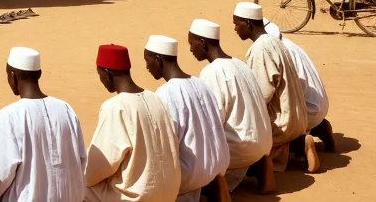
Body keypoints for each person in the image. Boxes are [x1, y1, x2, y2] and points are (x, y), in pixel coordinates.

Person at [0, 47, 87, 202]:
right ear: (39, 74)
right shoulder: (65, 109)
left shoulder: (10, 116)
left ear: (12, 76)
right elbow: (81, 160)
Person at [83, 44, 180, 202]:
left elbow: (99, 165)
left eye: (100, 74)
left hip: (139, 197)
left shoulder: (116, 106)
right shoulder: (156, 98)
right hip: (169, 193)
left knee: (79, 185)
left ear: (107, 74)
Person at [187, 18, 273, 195]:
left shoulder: (211, 72)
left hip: (241, 148)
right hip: (264, 143)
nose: (190, 49)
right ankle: (257, 166)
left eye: (191, 44)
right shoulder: (239, 63)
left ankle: (214, 187)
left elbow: (213, 120)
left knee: (190, 159)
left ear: (203, 43)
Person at [142, 35, 229, 202]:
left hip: (191, 175)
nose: (146, 66)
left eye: (148, 61)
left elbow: (165, 143)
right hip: (217, 166)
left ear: (159, 60)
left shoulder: (165, 93)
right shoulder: (200, 83)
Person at [233, 2, 308, 171]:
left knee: (241, 148)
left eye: (237, 24)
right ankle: (298, 145)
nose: (235, 29)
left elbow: (262, 94)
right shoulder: (276, 41)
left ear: (248, 24)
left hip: (283, 122)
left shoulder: (260, 48)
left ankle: (263, 168)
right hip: (298, 119)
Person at [264, 19, 334, 156]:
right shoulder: (290, 45)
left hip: (305, 112)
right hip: (319, 105)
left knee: (264, 137)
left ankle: (299, 145)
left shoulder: (274, 51)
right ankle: (319, 127)